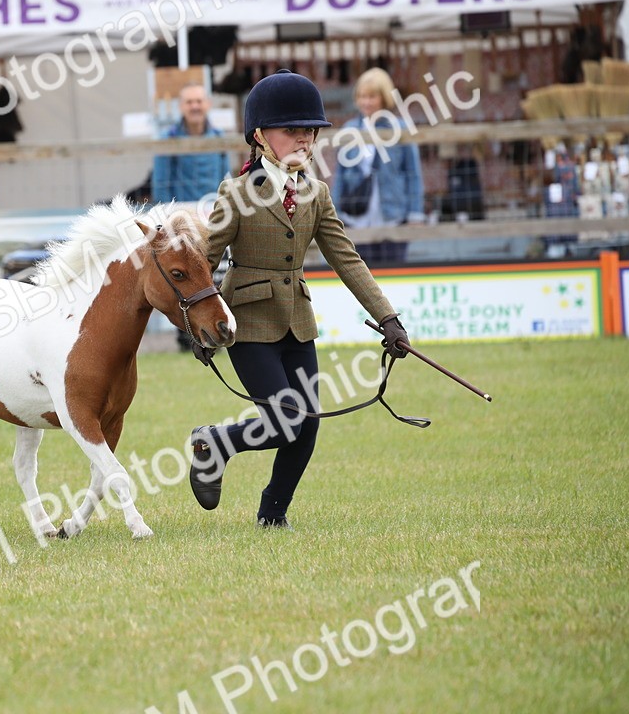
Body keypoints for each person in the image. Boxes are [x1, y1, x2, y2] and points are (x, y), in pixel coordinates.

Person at [189, 69, 411, 529]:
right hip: (247, 323)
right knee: (287, 420)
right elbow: (202, 264)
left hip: (298, 323)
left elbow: (347, 260)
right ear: (260, 136)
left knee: (307, 425)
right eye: (292, 130)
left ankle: (273, 514)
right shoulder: (236, 193)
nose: (304, 139)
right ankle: (216, 442)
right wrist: (197, 327)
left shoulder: (317, 193)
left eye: (310, 131)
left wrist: (388, 318)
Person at [331, 68, 425, 265]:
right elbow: (340, 174)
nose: (366, 102)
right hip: (356, 216)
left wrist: (415, 213)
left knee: (394, 273)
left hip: (392, 213)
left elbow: (413, 173)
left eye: (372, 96)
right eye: (362, 96)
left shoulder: (400, 128)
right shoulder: (350, 129)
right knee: (359, 275)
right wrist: (335, 213)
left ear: (384, 97)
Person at [151, 83, 231, 203]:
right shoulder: (168, 139)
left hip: (213, 213)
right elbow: (161, 185)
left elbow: (226, 182)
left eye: (199, 101)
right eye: (189, 102)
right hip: (181, 215)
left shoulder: (219, 137)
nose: (195, 106)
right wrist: (169, 216)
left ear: (208, 104)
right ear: (180, 106)